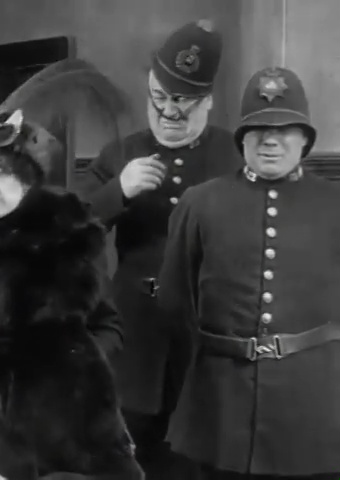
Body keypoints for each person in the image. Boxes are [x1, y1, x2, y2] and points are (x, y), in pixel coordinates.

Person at [0, 109, 144, 480]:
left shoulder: (66, 243)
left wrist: (63, 375)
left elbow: (108, 328)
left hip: (49, 437)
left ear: (27, 177)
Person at [158, 66, 340, 479]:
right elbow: (175, 304)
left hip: (314, 409)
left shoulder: (334, 205)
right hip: (221, 408)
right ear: (241, 138)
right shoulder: (199, 203)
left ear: (306, 139)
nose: (270, 140)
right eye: (258, 130)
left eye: (285, 129)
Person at [79, 19, 242, 478]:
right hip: (134, 342)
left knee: (194, 461)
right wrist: (118, 190)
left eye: (183, 101)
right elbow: (67, 226)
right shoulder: (119, 154)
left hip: (205, 339)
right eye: (160, 97)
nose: (169, 110)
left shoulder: (233, 156)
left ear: (207, 100)